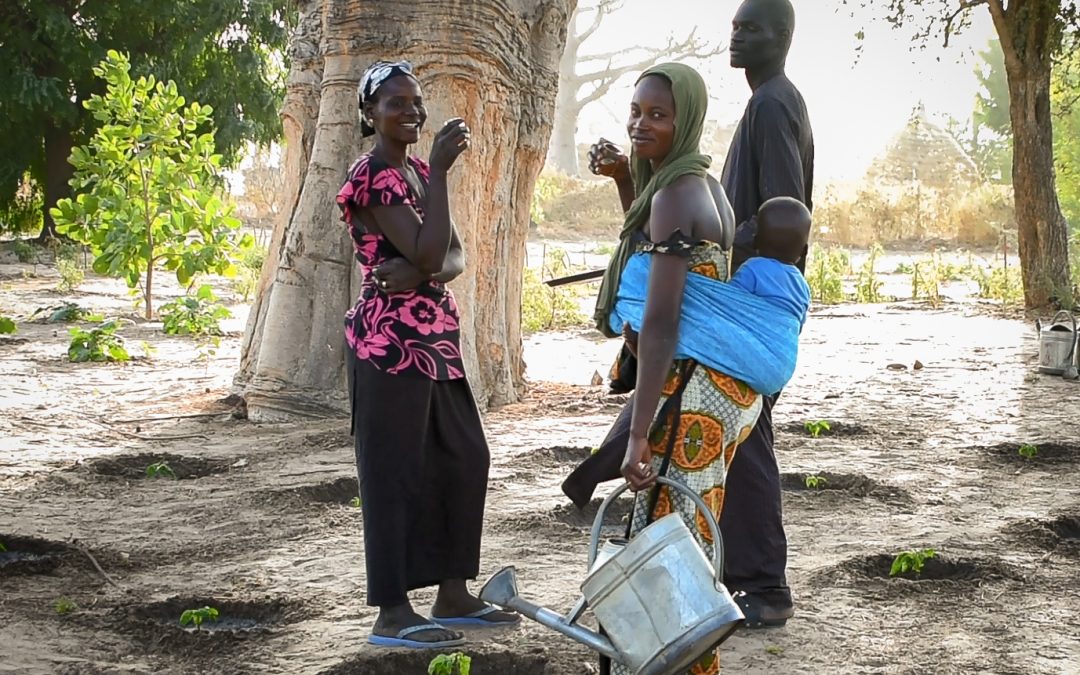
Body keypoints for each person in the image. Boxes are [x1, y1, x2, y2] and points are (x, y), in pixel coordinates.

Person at [585, 61, 762, 675]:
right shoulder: (699, 184)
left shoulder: (676, 194)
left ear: (685, 120)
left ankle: (685, 665)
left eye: (658, 115)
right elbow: (657, 252)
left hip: (699, 390)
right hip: (727, 390)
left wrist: (636, 433)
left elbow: (661, 322)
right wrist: (620, 180)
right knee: (686, 526)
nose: (640, 124)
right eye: (636, 112)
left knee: (671, 546)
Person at [335, 59, 517, 650]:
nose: (411, 110)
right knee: (394, 473)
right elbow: (436, 250)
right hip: (388, 344)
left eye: (416, 100)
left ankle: (452, 592)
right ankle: (392, 611)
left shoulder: (415, 172)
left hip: (435, 340)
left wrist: (417, 267)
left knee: (464, 456)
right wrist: (438, 177)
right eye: (395, 102)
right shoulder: (375, 176)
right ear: (370, 114)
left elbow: (453, 259)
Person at [716, 0, 815, 628]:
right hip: (756, 292)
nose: (737, 36)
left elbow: (787, 216)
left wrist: (721, 239)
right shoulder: (769, 101)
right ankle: (749, 578)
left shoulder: (773, 102)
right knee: (740, 433)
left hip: (759, 295)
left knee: (745, 436)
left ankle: (764, 586)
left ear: (781, 38)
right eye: (734, 26)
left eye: (751, 29)